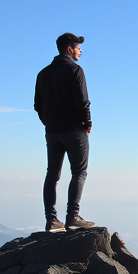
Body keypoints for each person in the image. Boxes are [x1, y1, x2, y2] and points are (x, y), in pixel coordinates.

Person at [34, 32, 95, 231]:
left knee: (52, 174)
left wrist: (49, 123)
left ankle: (51, 220)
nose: (80, 51)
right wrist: (87, 123)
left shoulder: (43, 74)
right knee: (79, 172)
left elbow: (37, 105)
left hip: (52, 132)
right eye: (78, 47)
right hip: (74, 130)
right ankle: (72, 217)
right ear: (70, 48)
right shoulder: (75, 70)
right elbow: (83, 100)